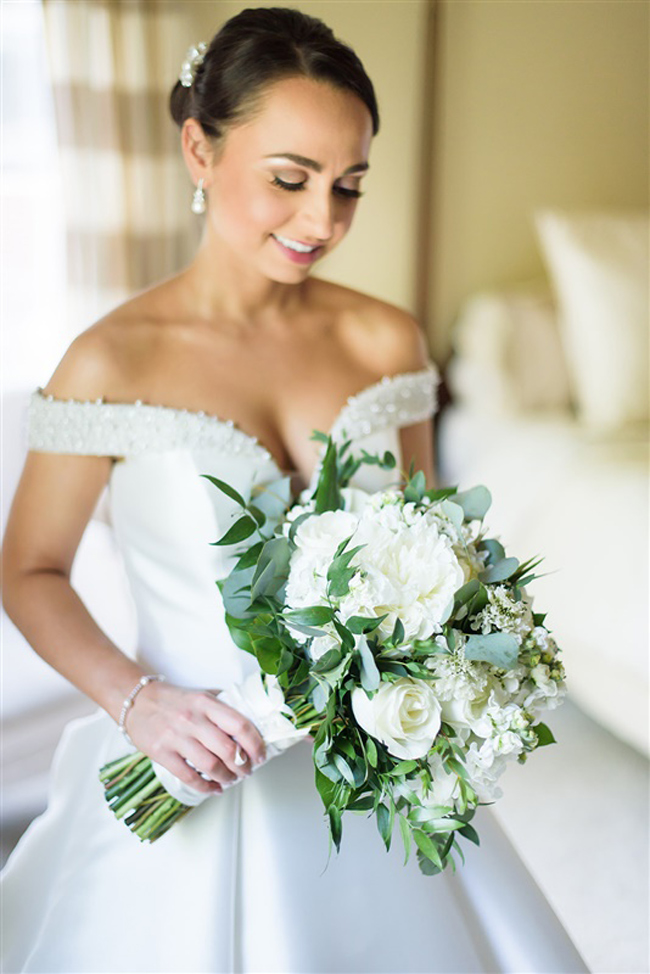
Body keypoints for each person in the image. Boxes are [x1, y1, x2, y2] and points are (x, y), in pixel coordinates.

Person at [1, 7, 588, 973]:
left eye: (349, 186)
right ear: (199, 149)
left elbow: (432, 549)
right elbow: (29, 570)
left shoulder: (385, 341)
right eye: (290, 179)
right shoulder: (109, 361)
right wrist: (138, 702)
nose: (322, 222)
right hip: (189, 765)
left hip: (373, 774)